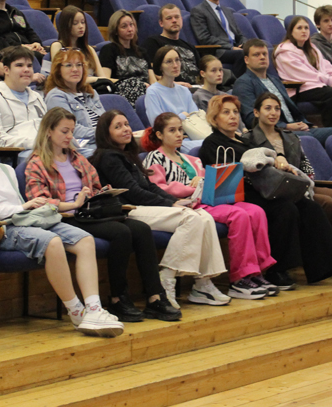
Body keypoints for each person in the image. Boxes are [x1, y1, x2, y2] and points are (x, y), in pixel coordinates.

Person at [0, 118, 122, 337]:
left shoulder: (5, 169)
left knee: (85, 240)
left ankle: (94, 308)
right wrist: (20, 207)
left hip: (26, 219)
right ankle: (76, 311)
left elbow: (20, 207)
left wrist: (26, 208)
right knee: (52, 242)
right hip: (2, 229)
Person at [199, 94, 332, 289]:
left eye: (235, 112)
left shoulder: (243, 141)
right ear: (214, 118)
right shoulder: (212, 143)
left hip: (262, 189)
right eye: (226, 112)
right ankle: (278, 270)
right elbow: (225, 178)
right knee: (285, 208)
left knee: (310, 207)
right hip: (239, 195)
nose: (233, 116)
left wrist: (278, 163)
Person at [23, 107, 180, 322]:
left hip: (90, 212)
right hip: (66, 217)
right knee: (120, 232)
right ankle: (118, 298)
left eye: (71, 132)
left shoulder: (77, 158)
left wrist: (104, 193)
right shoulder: (36, 163)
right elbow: (38, 200)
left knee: (142, 229)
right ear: (49, 131)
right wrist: (71, 204)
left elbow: (95, 185)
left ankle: (155, 296)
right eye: (64, 131)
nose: (69, 136)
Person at [91, 110, 230, 309]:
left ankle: (203, 284)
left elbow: (150, 186)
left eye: (126, 124)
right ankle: (167, 277)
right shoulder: (108, 157)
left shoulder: (127, 155)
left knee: (204, 216)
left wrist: (176, 200)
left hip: (143, 206)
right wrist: (170, 204)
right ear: (106, 133)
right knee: (191, 218)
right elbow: (133, 193)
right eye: (118, 126)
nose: (126, 129)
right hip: (127, 210)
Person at [142, 112, 277, 300]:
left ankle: (258, 271)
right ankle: (240, 278)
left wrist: (211, 180)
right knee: (238, 215)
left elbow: (209, 180)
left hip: (209, 199)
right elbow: (158, 188)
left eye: (180, 130)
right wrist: (193, 187)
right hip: (189, 205)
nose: (179, 134)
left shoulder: (193, 159)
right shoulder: (154, 158)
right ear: (159, 135)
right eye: (172, 130)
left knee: (256, 211)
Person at [247, 92, 332, 273]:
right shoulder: (249, 139)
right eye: (268, 108)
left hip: (302, 183)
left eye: (277, 108)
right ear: (256, 112)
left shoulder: (290, 136)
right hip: (278, 189)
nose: (273, 112)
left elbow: (305, 164)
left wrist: (307, 181)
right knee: (327, 202)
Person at [232, 39, 331, 145]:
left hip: (296, 127)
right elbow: (252, 118)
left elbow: (291, 108)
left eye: (264, 54)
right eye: (256, 55)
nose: (262, 57)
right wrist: (286, 126)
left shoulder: (275, 79)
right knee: (308, 138)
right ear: (246, 60)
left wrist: (305, 124)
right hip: (275, 132)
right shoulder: (243, 83)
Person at [274, 15, 332, 127]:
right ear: (291, 32)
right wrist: (329, 80)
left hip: (316, 85)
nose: (303, 31)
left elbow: (325, 65)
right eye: (299, 28)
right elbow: (303, 74)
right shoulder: (285, 51)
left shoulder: (312, 48)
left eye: (306, 28)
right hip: (299, 89)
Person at [0, 46, 47, 161]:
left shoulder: (37, 97)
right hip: (18, 156)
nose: (26, 70)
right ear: (6, 70)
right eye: (19, 65)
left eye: (29, 65)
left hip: (45, 149)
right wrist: (36, 142)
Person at [43, 47, 105, 157]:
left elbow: (104, 121)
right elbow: (71, 130)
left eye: (79, 65)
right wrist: (105, 134)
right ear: (58, 70)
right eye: (69, 65)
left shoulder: (91, 92)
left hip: (104, 142)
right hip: (83, 148)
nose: (75, 69)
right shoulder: (56, 96)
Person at [188, 0, 247, 65]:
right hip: (218, 51)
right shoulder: (198, 11)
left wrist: (244, 44)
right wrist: (230, 47)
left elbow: (239, 34)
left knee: (259, 51)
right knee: (242, 54)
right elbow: (204, 38)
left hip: (235, 47)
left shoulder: (227, 11)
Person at [98, 10, 153, 106]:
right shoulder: (109, 49)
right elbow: (106, 79)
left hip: (146, 92)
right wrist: (134, 84)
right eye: (124, 26)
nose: (130, 29)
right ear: (115, 31)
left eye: (131, 25)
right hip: (122, 94)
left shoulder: (142, 51)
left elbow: (153, 81)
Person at [142, 4, 203, 86]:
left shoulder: (190, 47)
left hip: (195, 87)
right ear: (161, 23)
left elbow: (201, 72)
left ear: (181, 20)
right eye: (169, 18)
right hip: (171, 87)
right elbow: (151, 72)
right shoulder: (153, 42)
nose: (174, 21)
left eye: (177, 17)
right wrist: (175, 84)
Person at [50, 6, 110, 87]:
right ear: (66, 26)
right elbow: (60, 78)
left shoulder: (89, 49)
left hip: (92, 88)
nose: (81, 26)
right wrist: (95, 80)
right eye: (75, 23)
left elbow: (102, 77)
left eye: (83, 22)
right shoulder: (57, 46)